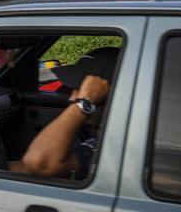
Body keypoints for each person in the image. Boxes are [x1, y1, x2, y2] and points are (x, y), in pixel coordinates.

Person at [15, 47, 119, 178]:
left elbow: (40, 163)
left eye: (83, 91)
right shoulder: (103, 140)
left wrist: (84, 104)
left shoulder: (117, 146)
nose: (72, 98)